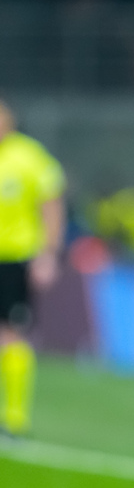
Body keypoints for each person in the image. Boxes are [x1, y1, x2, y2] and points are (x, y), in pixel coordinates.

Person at [0, 101, 66, 436]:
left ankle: (14, 418)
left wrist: (48, 254)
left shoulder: (28, 157)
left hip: (14, 259)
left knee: (13, 334)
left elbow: (51, 204)